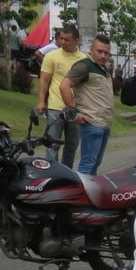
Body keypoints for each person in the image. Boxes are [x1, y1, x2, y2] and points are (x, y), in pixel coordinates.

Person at [58, 34, 114, 175]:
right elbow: (64, 86)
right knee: (87, 165)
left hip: (104, 123)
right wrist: (74, 113)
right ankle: (81, 194)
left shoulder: (103, 68)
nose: (103, 55)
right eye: (99, 51)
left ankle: (89, 193)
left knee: (95, 164)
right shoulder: (84, 65)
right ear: (91, 49)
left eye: (106, 53)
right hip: (91, 123)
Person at [35, 25, 87, 168]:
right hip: (55, 107)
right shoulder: (52, 56)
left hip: (75, 109)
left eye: (67, 40)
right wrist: (41, 102)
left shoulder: (83, 59)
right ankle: (51, 171)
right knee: (52, 143)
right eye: (61, 39)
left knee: (72, 144)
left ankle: (66, 171)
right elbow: (44, 80)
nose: (63, 42)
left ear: (76, 41)